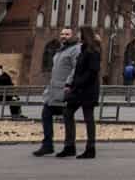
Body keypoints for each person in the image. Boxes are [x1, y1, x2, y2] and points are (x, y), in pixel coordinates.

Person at [34, 26, 79, 157]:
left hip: (66, 91)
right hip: (53, 91)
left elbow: (76, 69)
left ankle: (70, 146)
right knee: (46, 113)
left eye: (67, 34)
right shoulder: (60, 50)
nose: (64, 36)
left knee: (68, 117)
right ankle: (47, 145)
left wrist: (69, 84)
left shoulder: (75, 50)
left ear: (73, 36)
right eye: (62, 34)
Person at [63, 30, 101, 159]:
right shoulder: (83, 50)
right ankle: (69, 146)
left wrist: (78, 83)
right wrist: (71, 85)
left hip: (88, 90)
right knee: (68, 113)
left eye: (80, 34)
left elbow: (92, 72)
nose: (78, 36)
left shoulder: (93, 52)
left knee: (88, 118)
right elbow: (78, 71)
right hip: (78, 89)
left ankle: (91, 148)